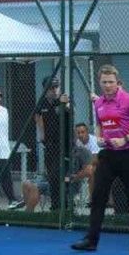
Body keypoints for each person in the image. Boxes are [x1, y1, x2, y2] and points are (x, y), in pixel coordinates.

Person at [71, 65, 129, 253]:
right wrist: (99, 137)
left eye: (111, 82)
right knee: (98, 196)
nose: (107, 85)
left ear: (117, 82)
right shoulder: (98, 103)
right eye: (104, 82)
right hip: (108, 155)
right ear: (100, 83)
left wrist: (125, 139)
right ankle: (91, 240)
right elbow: (100, 124)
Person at [22, 122, 96, 213]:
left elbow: (89, 170)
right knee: (26, 184)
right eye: (77, 133)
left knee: (36, 187)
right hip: (50, 181)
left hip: (69, 183)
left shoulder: (82, 151)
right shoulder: (56, 150)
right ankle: (29, 212)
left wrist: (75, 177)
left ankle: (28, 214)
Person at [34, 75, 72, 211]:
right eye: (51, 88)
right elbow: (38, 117)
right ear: (45, 89)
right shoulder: (42, 103)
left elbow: (71, 111)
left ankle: (65, 206)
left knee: (60, 175)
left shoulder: (64, 99)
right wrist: (41, 135)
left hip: (65, 145)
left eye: (56, 87)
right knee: (52, 176)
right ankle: (56, 206)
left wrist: (65, 105)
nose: (54, 90)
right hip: (50, 145)